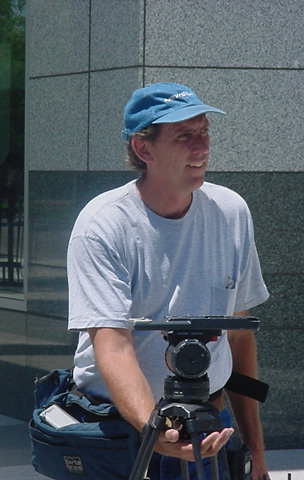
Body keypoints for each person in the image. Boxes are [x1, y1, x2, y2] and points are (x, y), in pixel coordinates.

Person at [67, 83, 270, 480]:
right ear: (144, 149)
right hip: (119, 427)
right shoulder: (103, 224)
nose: (202, 147)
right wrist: (155, 433)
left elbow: (239, 336)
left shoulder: (231, 212)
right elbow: (113, 345)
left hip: (210, 423)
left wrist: (256, 452)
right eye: (184, 136)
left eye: (204, 132)